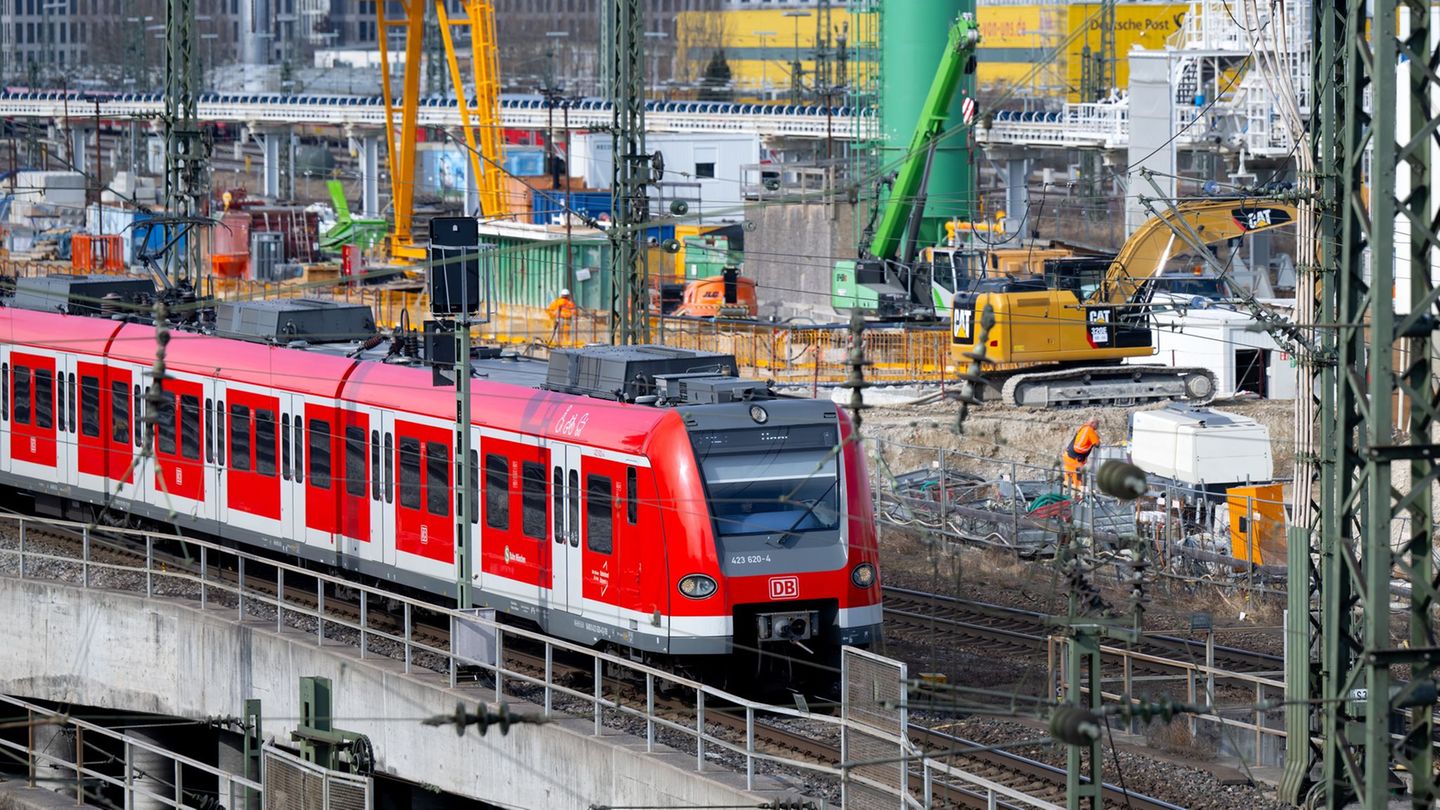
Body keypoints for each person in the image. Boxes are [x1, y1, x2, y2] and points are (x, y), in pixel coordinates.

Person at [1062, 417, 1101, 491]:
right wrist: (1097, 437)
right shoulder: (1090, 430)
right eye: (1097, 424)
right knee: (1078, 485)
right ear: (1092, 423)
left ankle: (1068, 497)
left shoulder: (1082, 427)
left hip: (1068, 456)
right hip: (1075, 460)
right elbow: (1097, 444)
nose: (1098, 426)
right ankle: (1077, 499)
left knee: (1068, 482)